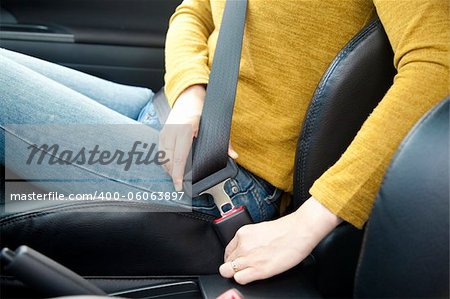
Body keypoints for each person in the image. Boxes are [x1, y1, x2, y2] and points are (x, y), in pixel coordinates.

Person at [0, 0, 448, 285]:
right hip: (170, 118)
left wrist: (311, 221)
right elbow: (192, 12)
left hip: (222, 184)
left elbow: (439, 60)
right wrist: (190, 94)